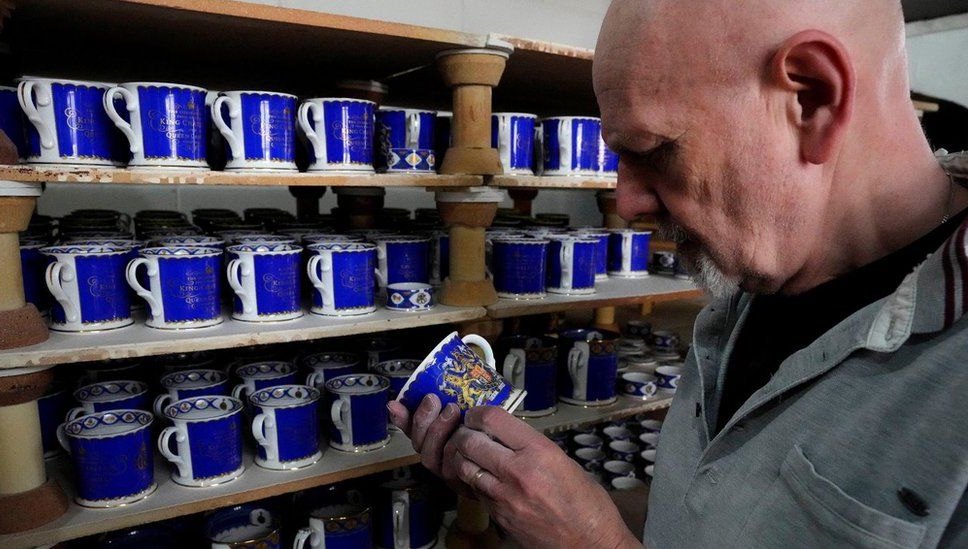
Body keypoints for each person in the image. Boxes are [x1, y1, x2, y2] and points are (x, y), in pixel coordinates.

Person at [388, 0, 968, 546]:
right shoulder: (749, 276)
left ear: (812, 98)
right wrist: (548, 499)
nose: (629, 203)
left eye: (656, 149)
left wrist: (594, 542)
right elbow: (704, 513)